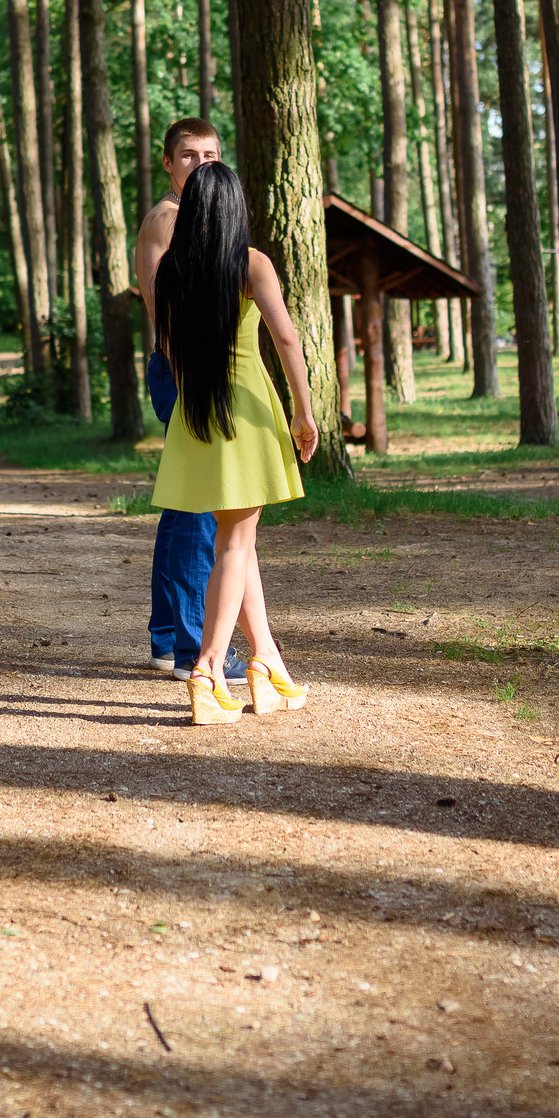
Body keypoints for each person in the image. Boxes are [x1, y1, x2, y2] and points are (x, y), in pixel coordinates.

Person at [149, 161, 319, 725]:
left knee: (236, 540)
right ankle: (208, 668)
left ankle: (266, 664)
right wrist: (304, 411)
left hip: (197, 414)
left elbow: (169, 351)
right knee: (234, 545)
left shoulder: (172, 271)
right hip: (244, 413)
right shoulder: (250, 265)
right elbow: (288, 340)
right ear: (235, 209)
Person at [133, 118, 245, 680]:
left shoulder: (201, 218)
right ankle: (193, 646)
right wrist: (191, 380)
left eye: (211, 155)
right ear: (167, 164)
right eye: (188, 156)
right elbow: (164, 312)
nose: (201, 165)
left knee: (185, 508)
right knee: (202, 508)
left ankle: (166, 638)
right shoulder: (169, 219)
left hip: (197, 371)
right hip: (182, 372)